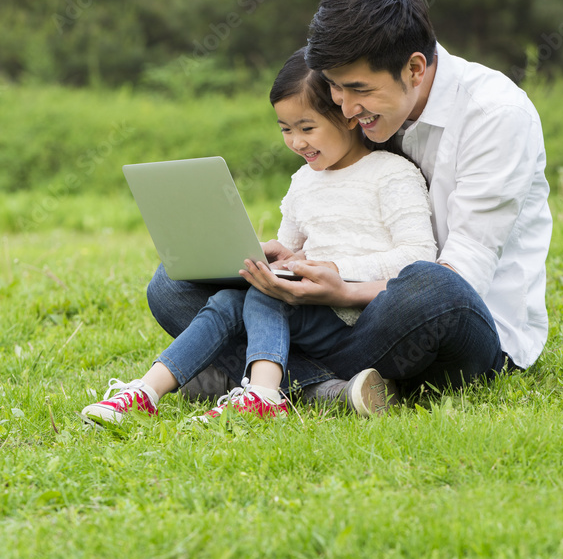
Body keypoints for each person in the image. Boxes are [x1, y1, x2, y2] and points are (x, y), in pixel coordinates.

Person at [222, 0, 553, 398]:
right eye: (335, 87)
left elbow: (464, 277)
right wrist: (298, 261)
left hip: (459, 323)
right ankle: (333, 386)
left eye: (358, 89)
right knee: (173, 287)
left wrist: (342, 287)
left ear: (414, 68)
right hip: (347, 318)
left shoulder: (496, 116)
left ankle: (262, 367)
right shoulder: (372, 112)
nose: (344, 107)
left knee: (430, 287)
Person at [80, 47, 436, 426]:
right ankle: (145, 392)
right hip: (308, 308)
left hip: (358, 316)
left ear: (347, 117)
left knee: (266, 291)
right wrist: (278, 256)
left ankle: (263, 394)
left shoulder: (391, 173)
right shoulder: (303, 182)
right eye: (286, 130)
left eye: (307, 128)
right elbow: (293, 252)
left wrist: (328, 267)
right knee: (235, 297)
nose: (297, 142)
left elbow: (418, 262)